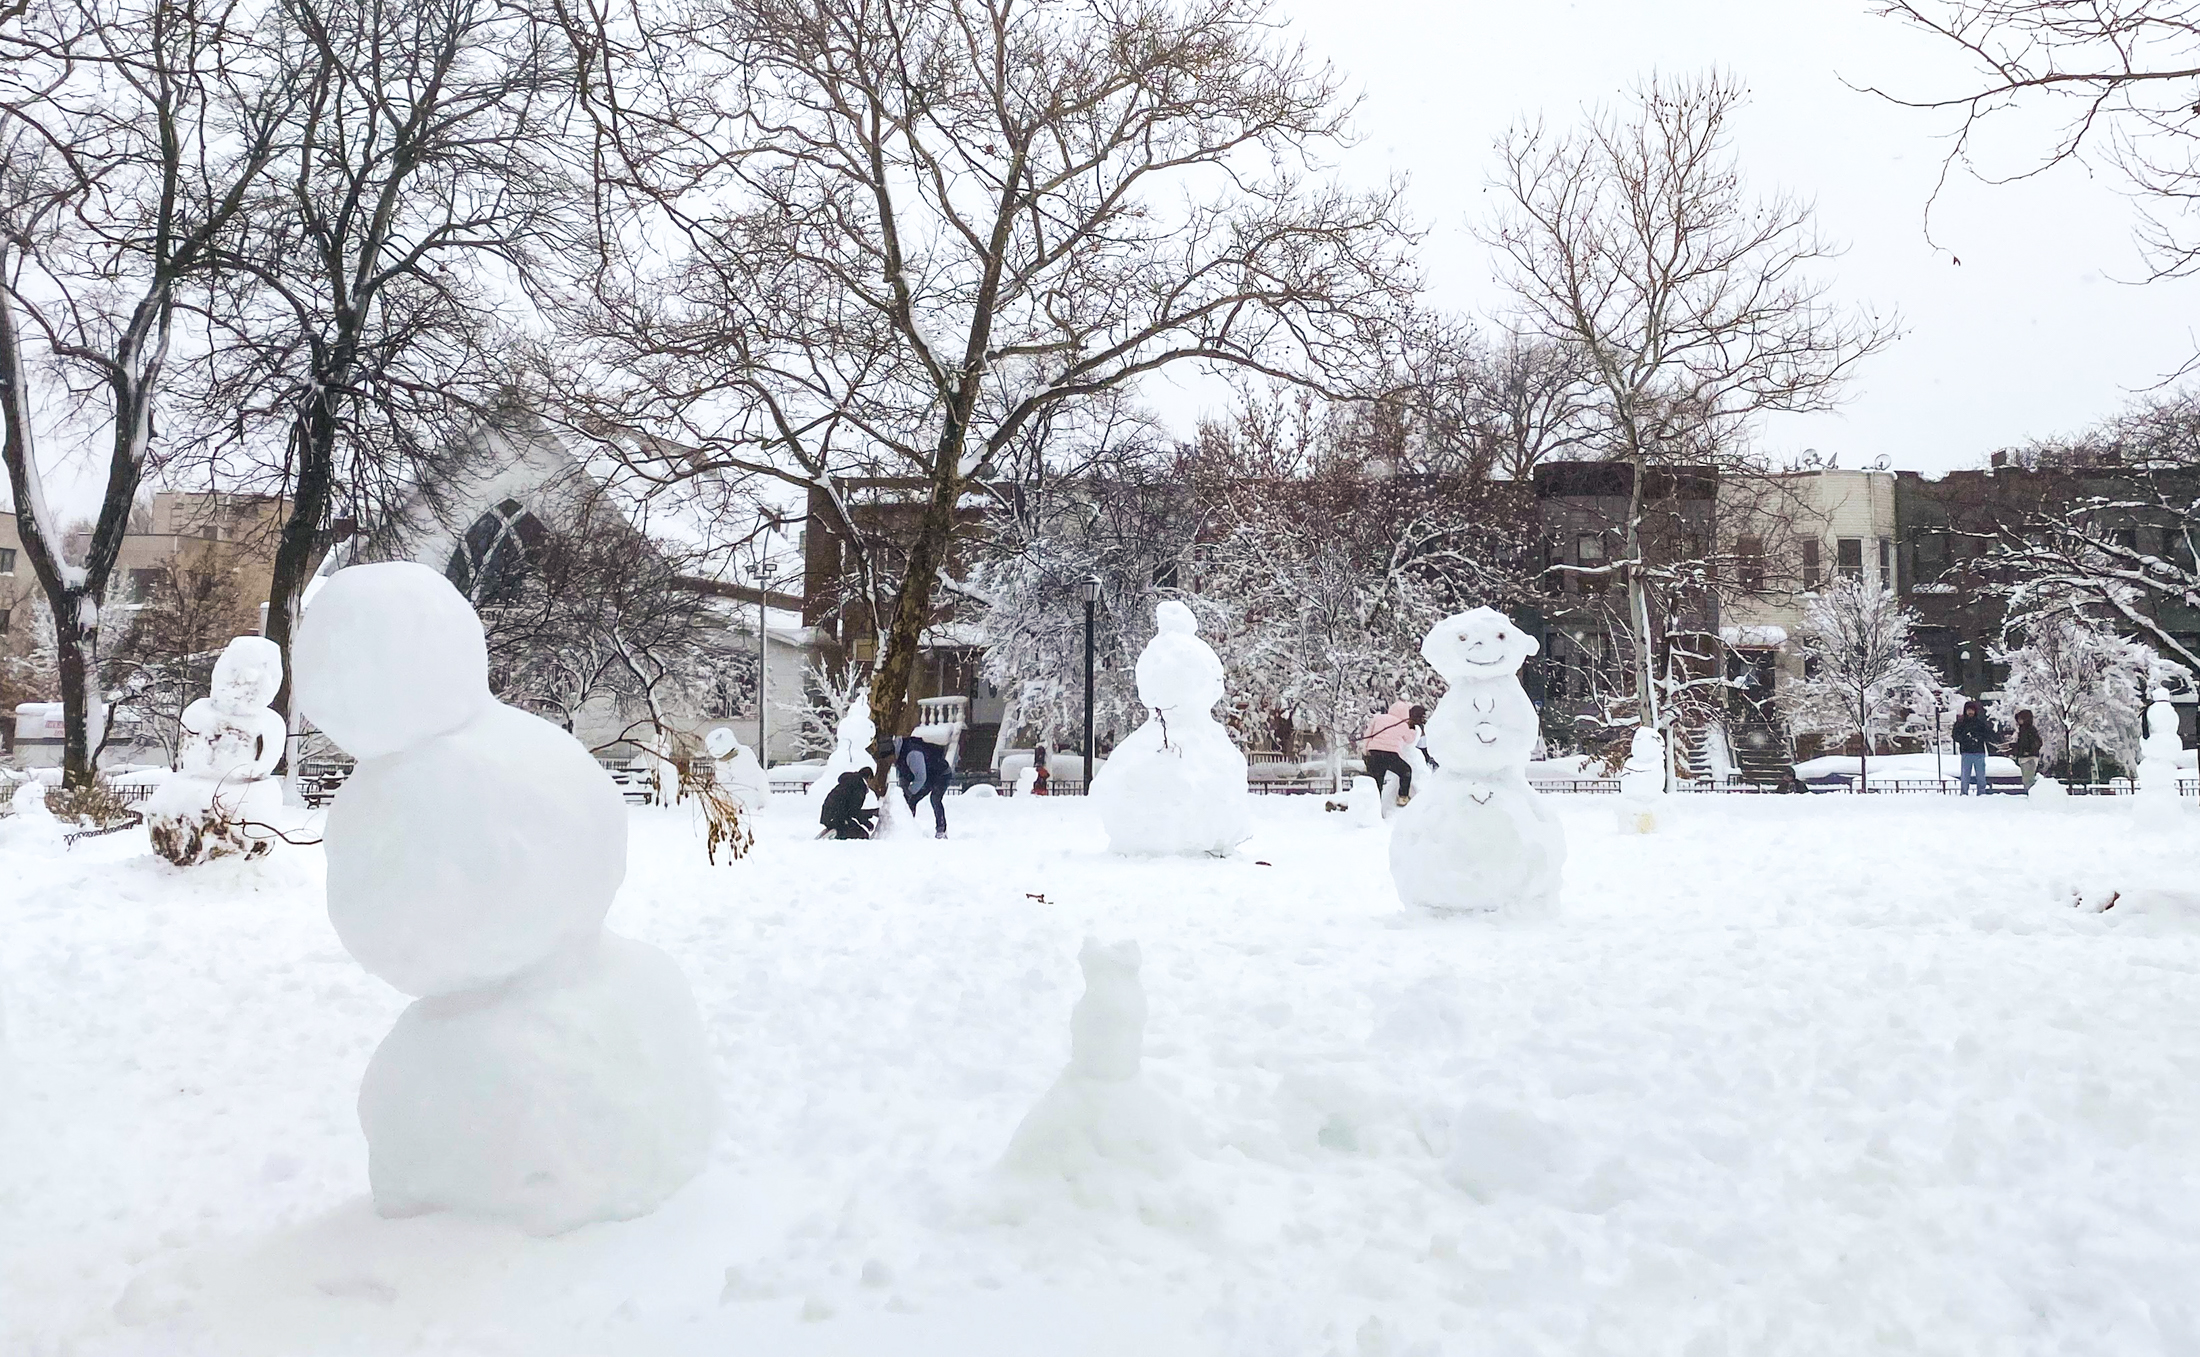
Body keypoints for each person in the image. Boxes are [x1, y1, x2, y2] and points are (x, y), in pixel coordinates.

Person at [895, 732, 953, 838]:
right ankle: (907, 827)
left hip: (942, 773)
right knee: (912, 800)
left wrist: (909, 792)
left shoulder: (913, 753)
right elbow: (903, 776)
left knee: (935, 798)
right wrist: (904, 794)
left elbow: (921, 778)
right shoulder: (899, 757)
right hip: (929, 775)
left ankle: (941, 830)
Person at [1361, 700, 1420, 804]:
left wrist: (1365, 751)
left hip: (1374, 753)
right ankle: (1402, 797)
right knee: (1405, 771)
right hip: (1390, 755)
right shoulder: (1402, 724)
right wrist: (1413, 729)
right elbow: (1410, 739)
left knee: (1376, 783)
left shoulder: (1378, 718)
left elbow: (1368, 735)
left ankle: (1372, 806)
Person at [818, 768, 877, 839]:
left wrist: (867, 816)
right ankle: (837, 833)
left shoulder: (850, 781)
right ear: (869, 777)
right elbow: (854, 811)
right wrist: (867, 821)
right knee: (862, 835)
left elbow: (850, 808)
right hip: (837, 817)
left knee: (850, 827)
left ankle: (829, 831)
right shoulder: (859, 786)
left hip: (828, 815)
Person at [1952, 699, 1993, 796]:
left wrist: (1978, 738)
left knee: (1981, 775)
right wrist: (1965, 738)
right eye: (1968, 710)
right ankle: (1964, 792)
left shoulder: (1980, 723)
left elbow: (1987, 735)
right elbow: (1955, 735)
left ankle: (1981, 792)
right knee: (1965, 775)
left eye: (1972, 710)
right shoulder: (1961, 723)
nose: (1970, 712)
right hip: (1966, 752)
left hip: (1979, 752)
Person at [2011, 708, 2043, 789]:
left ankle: (2031, 793)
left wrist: (2028, 751)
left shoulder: (2030, 730)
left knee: (2028, 779)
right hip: (2024, 757)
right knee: (2026, 779)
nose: (2019, 721)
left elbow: (2037, 743)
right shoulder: (2022, 730)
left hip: (2029, 757)